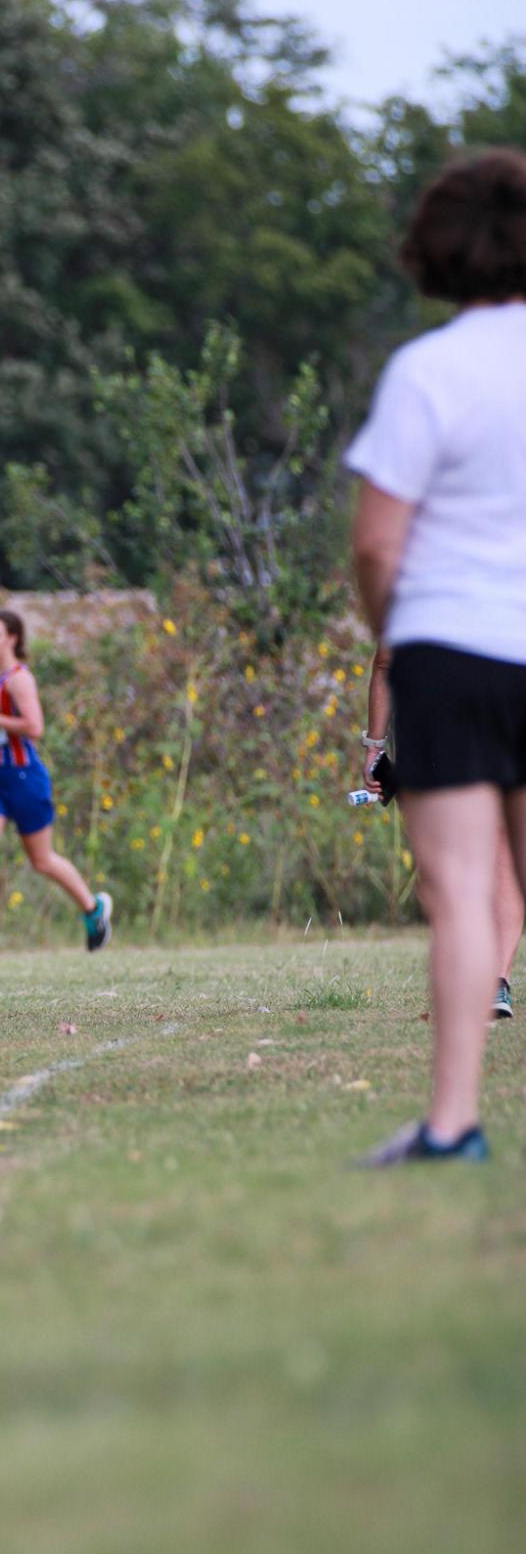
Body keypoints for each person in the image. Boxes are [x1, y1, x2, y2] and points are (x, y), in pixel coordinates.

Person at [349, 147, 526, 1164]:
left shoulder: (424, 371)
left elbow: (376, 542)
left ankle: (451, 1124)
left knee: (459, 893)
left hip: (452, 652)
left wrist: (397, 628)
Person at [0, 609, 112, 958]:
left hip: (24, 777)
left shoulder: (19, 679)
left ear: (12, 638)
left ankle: (93, 909)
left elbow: (35, 727)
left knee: (41, 860)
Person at [363, 645, 521, 1020]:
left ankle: (463, 979)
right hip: (508, 694)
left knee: (446, 855)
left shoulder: (418, 586)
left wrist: (374, 747)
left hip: (433, 711)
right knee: (503, 848)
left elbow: (387, 658)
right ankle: (496, 981)